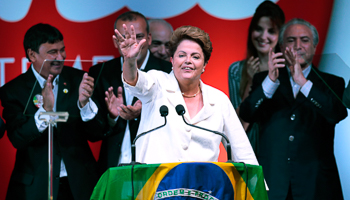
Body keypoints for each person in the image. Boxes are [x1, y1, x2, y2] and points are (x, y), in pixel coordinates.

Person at [113, 23, 259, 165]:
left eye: (195, 57)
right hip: (157, 186)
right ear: (172, 60)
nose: (188, 61)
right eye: (182, 55)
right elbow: (134, 81)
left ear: (205, 65)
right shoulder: (157, 84)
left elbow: (242, 150)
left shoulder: (218, 100)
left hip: (204, 187)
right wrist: (130, 60)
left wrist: (256, 187)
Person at [239, 18, 347, 200]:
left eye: (304, 40)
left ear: (314, 46)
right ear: (281, 46)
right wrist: (270, 82)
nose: (298, 45)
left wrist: (303, 82)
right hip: (272, 184)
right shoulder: (264, 80)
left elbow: (336, 113)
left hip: (317, 186)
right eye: (291, 40)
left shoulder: (332, 82)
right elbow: (246, 114)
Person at [0, 23, 102, 200]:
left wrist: (84, 105)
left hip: (80, 185)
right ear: (32, 54)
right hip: (36, 187)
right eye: (52, 52)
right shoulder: (13, 91)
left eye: (62, 50)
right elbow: (17, 138)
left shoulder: (79, 80)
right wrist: (45, 112)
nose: (60, 57)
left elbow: (96, 134)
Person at [88, 11, 172, 174]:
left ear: (148, 39)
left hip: (155, 169)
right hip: (112, 170)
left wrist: (148, 110)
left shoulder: (169, 71)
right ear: (115, 41)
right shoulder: (101, 72)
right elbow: (92, 133)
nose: (132, 43)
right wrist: (92, 109)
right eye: (124, 38)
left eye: (138, 37)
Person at [228, 1, 285, 153]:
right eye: (258, 29)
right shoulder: (236, 70)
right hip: (249, 153)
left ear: (280, 35)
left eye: (271, 31)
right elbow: (239, 126)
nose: (263, 36)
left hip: (280, 154)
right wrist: (251, 82)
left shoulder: (289, 70)